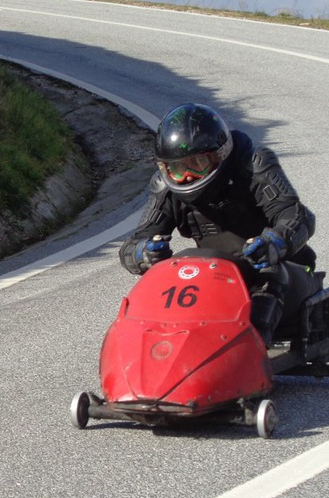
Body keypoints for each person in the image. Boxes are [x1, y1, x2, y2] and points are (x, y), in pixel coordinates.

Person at [118, 102, 318, 345]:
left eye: (197, 164)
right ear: (164, 168)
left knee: (270, 273)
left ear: (219, 154)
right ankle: (149, 351)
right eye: (177, 169)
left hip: (285, 272)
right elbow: (132, 245)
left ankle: (251, 350)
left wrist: (275, 243)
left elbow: (299, 217)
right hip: (217, 280)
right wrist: (143, 253)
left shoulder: (253, 165)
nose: (188, 176)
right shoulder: (165, 188)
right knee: (168, 277)